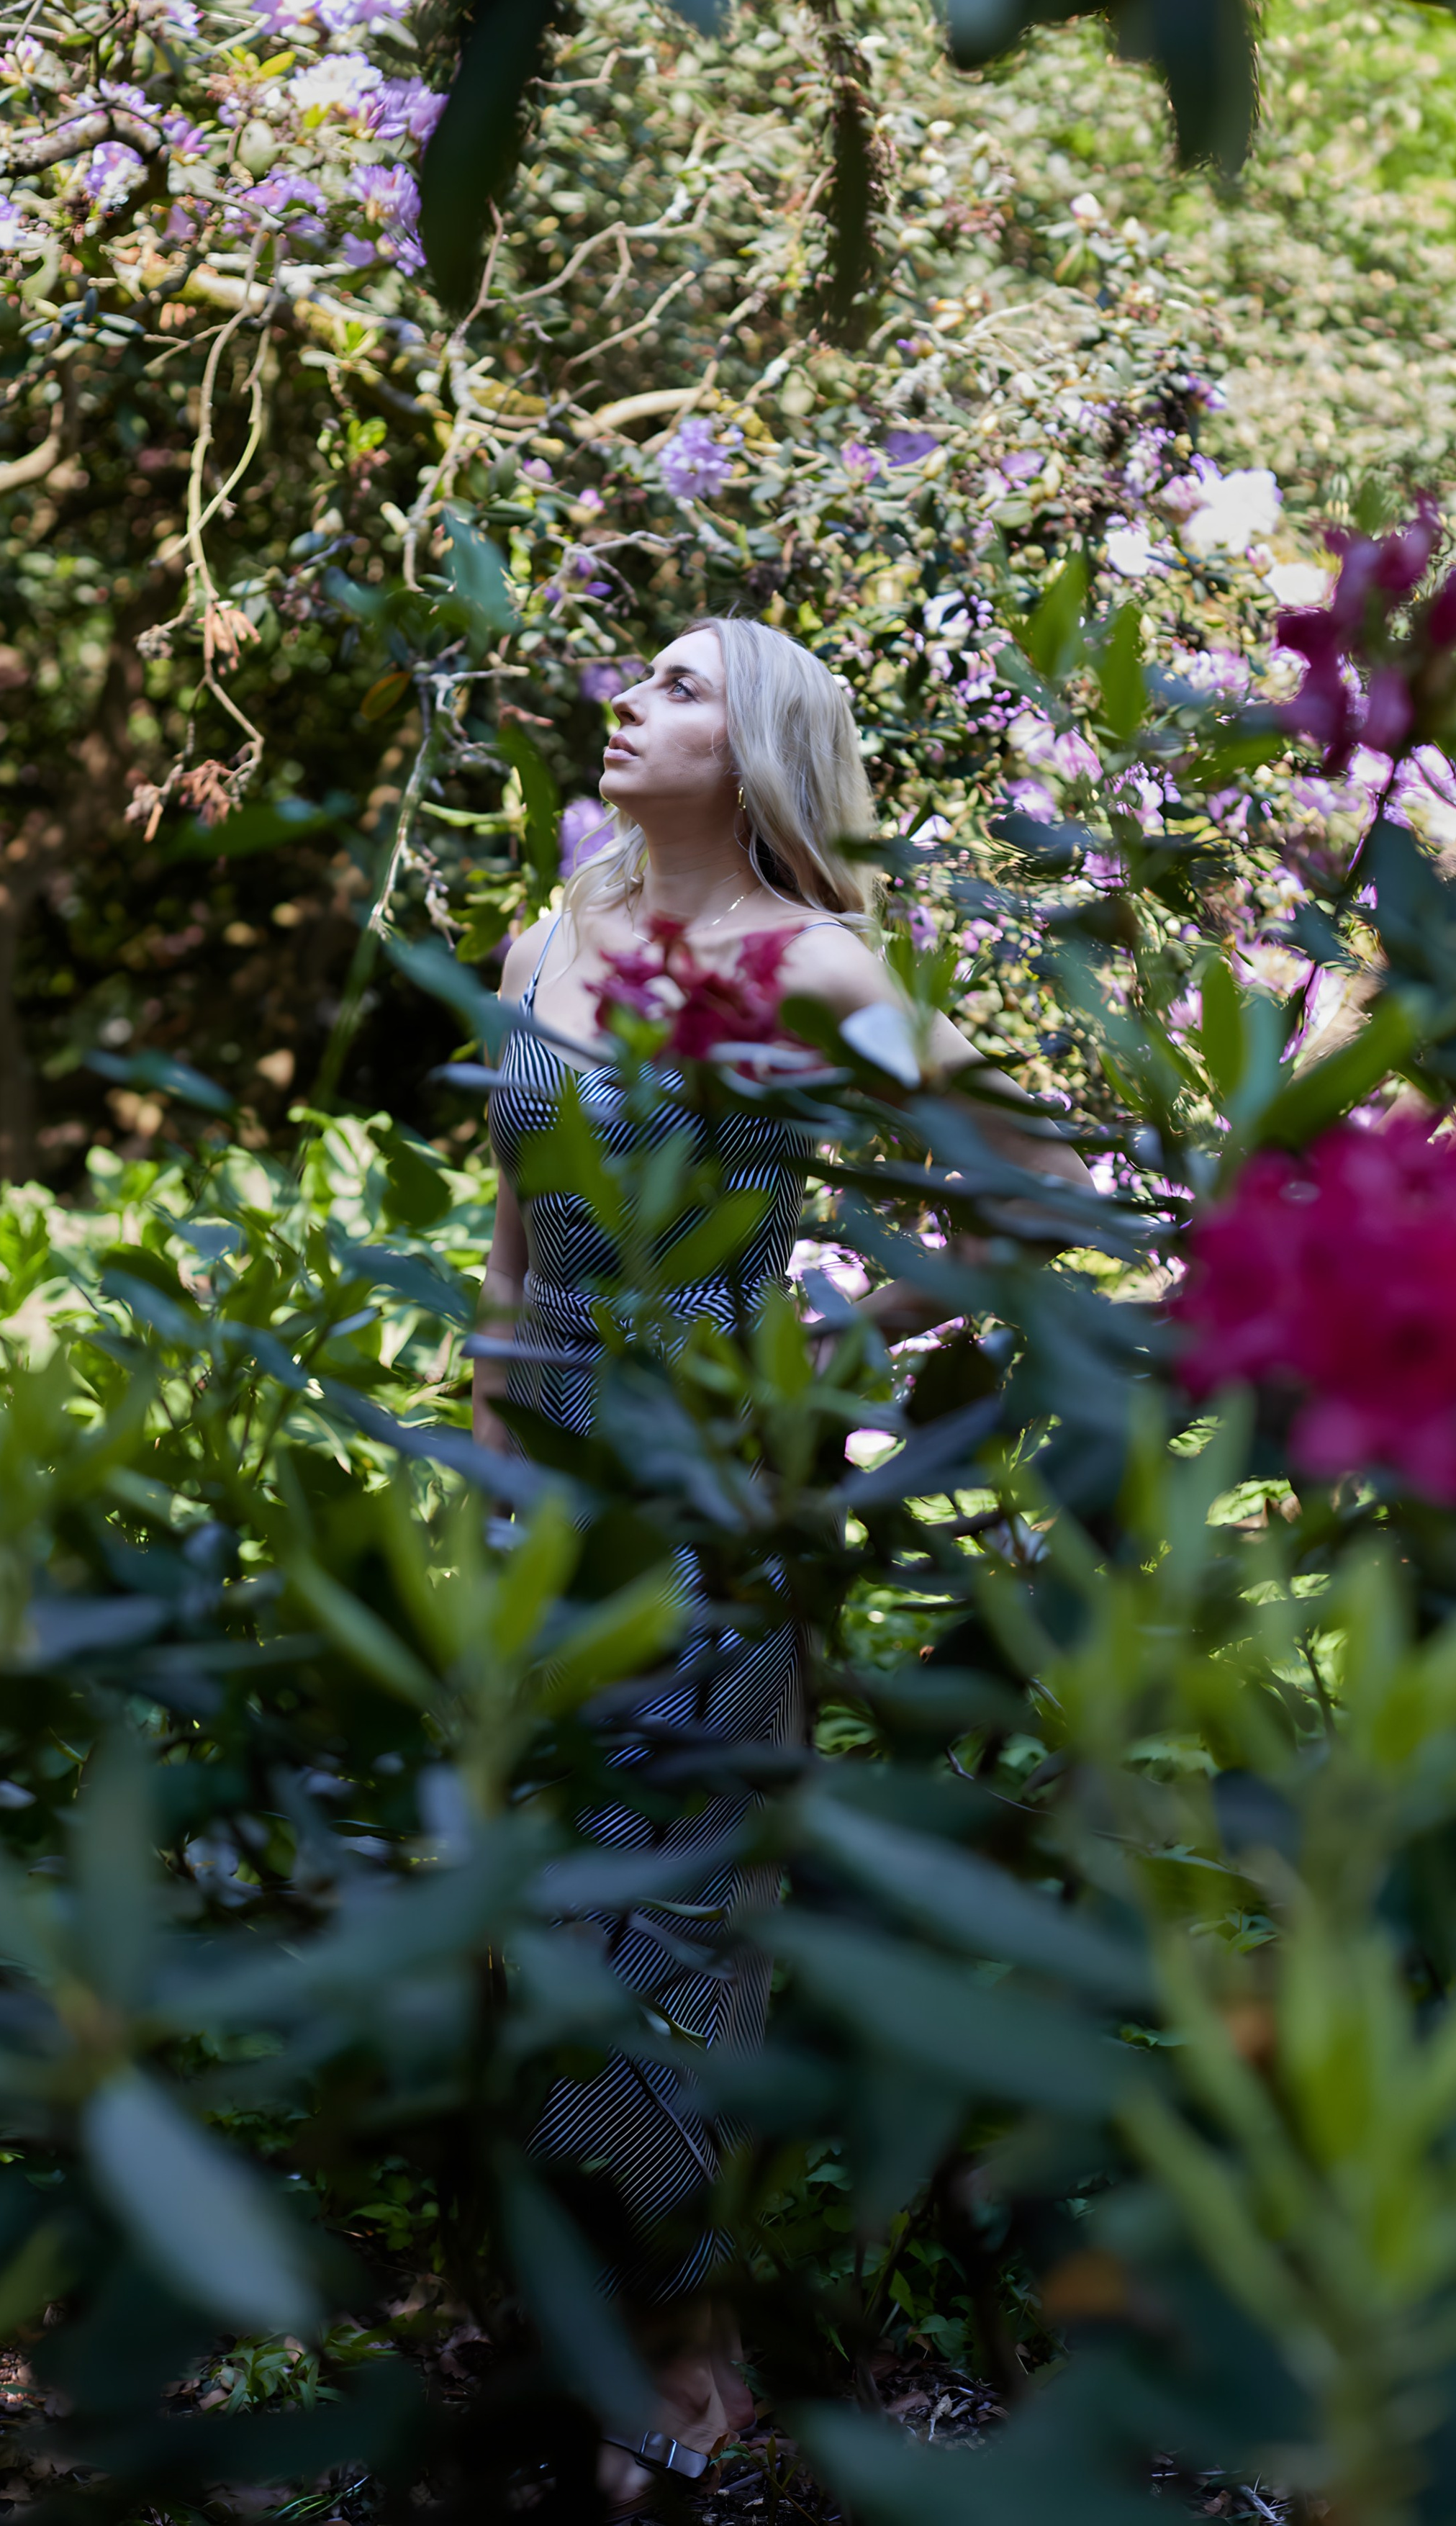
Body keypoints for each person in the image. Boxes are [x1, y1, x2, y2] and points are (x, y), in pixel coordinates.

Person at [471, 616, 1094, 2512]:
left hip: (719, 1492)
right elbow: (508, 1248)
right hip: (537, 1489)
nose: (626, 694)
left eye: (674, 680)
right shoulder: (544, 935)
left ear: (755, 747)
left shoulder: (814, 960)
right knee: (536, 1900)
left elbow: (1033, 1186)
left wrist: (839, 1330)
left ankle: (691, 2341)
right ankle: (575, 2294)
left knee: (669, 1915)